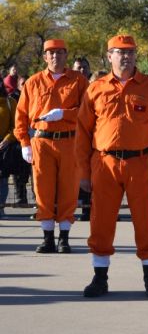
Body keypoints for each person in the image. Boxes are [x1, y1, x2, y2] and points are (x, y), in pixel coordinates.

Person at [76, 34, 148, 298]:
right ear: (109, 56)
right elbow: (82, 133)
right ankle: (100, 279)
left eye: (130, 52)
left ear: (136, 56)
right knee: (101, 222)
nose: (125, 56)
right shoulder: (95, 89)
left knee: (146, 222)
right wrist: (83, 172)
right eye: (119, 52)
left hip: (141, 164)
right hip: (104, 163)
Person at [14, 39, 88, 253]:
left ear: (66, 56)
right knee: (43, 190)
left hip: (69, 141)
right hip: (42, 142)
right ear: (45, 57)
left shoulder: (79, 81)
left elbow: (89, 111)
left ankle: (64, 238)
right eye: (51, 53)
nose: (55, 56)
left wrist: (65, 114)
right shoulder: (33, 82)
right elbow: (21, 115)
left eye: (60, 53)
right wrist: (24, 143)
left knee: (68, 189)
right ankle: (47, 238)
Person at [73, 57, 93, 222]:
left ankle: (88, 210)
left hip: (91, 138)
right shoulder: (69, 87)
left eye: (84, 67)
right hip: (70, 138)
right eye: (78, 68)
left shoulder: (95, 87)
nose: (82, 71)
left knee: (89, 174)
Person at [0, 83, 19, 219]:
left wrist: (7, 139)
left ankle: (0, 208)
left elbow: (16, 126)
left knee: (2, 180)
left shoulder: (10, 102)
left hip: (4, 146)